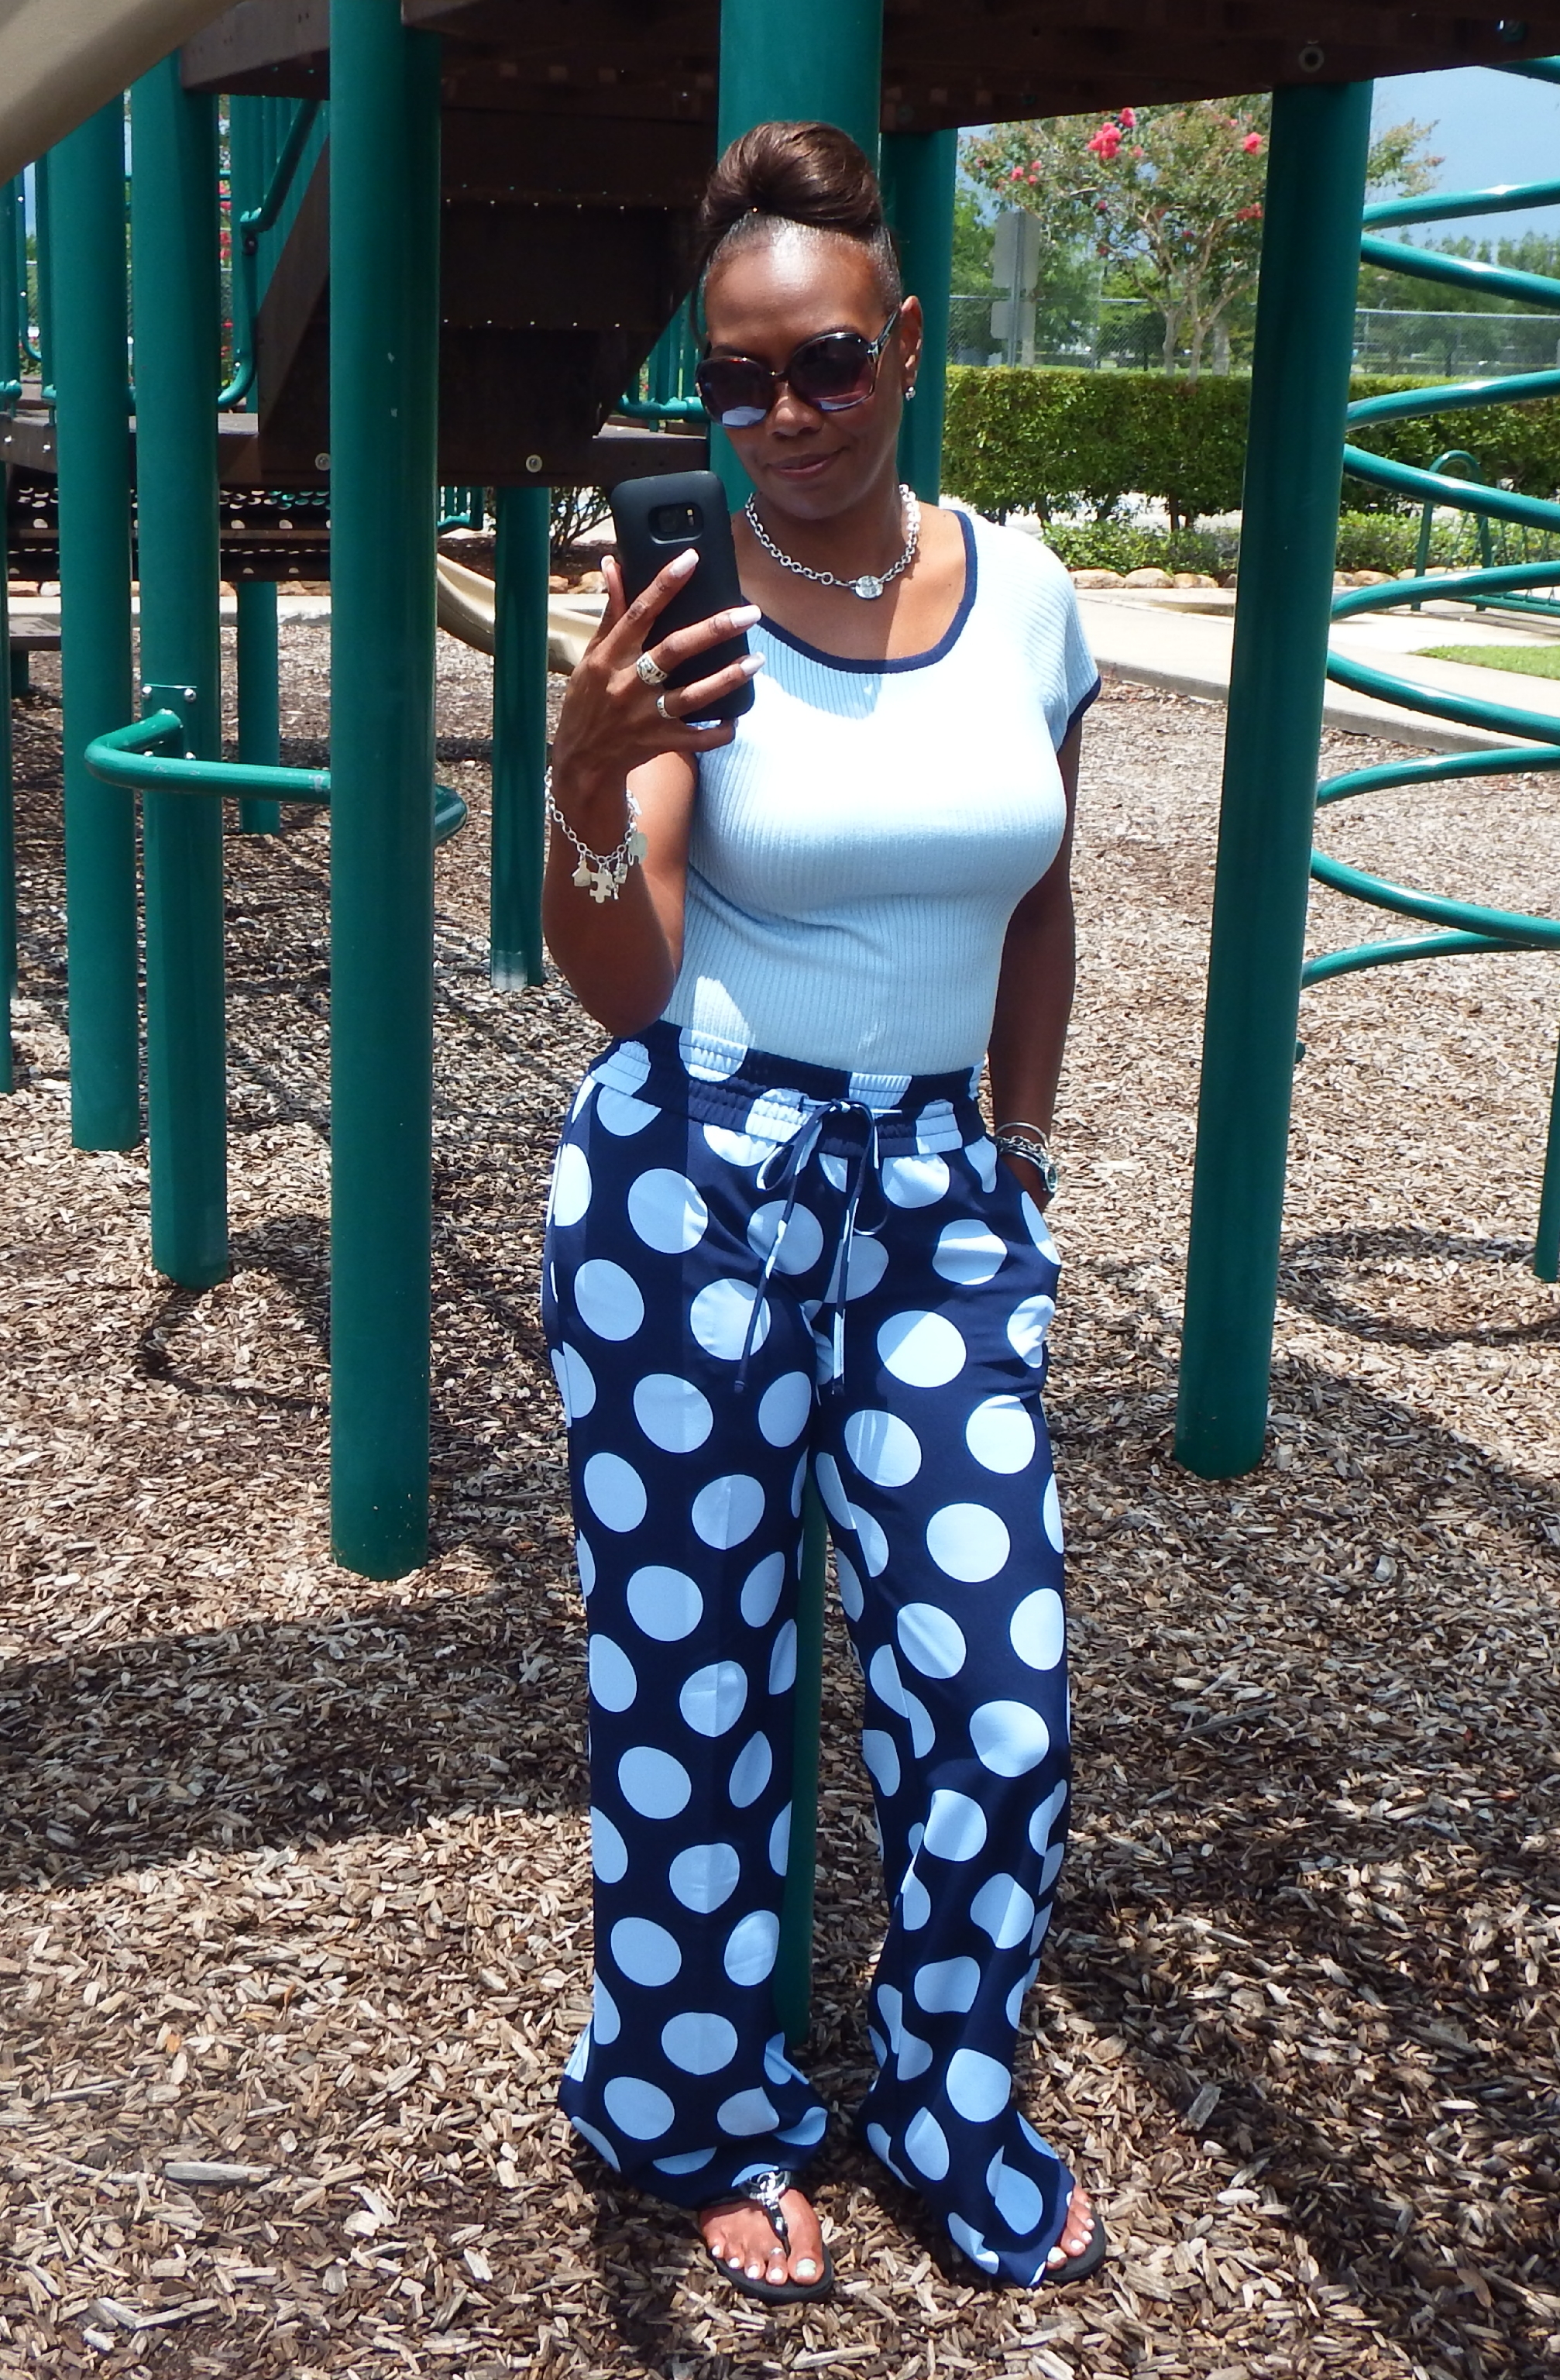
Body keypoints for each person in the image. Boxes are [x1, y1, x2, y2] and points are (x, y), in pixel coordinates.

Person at [538, 119, 1102, 2302]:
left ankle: (949, 2094)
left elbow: (1038, 897)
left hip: (941, 1198)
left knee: (996, 1692)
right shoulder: (680, 611)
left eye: (830, 363)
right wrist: (585, 791)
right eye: (739, 380)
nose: (786, 414)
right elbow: (627, 976)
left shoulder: (1028, 597)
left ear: (909, 344)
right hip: (698, 1182)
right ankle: (694, 2107)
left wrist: (1020, 1149)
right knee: (693, 1685)